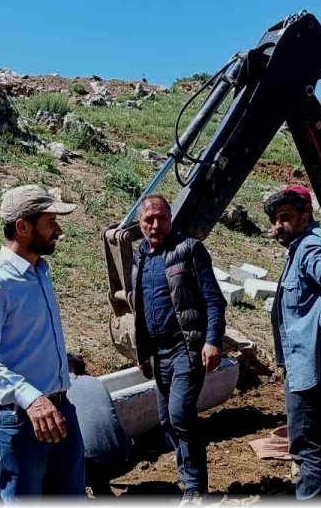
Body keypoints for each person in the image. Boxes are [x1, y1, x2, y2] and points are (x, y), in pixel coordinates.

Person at [0, 185, 84, 501]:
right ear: (23, 226)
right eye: (51, 222)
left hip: (59, 411)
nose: (58, 230)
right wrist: (32, 399)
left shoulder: (40, 272)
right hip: (19, 422)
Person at [129, 195, 227, 505]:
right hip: (158, 354)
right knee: (165, 419)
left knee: (181, 413)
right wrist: (143, 353)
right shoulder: (140, 257)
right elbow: (139, 308)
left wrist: (212, 341)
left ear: (170, 219)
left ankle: (195, 487)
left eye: (161, 218)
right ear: (140, 224)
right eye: (148, 220)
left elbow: (214, 300)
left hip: (186, 348)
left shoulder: (189, 250)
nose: (155, 225)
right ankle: (186, 479)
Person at [265, 184, 321, 500]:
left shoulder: (310, 247)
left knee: (305, 443)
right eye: (274, 220)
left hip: (315, 363)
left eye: (285, 217)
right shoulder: (303, 247)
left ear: (305, 215)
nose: (278, 227)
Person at [65, 356, 134, 496]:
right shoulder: (95, 381)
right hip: (121, 458)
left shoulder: (59, 388)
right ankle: (102, 490)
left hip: (86, 466)